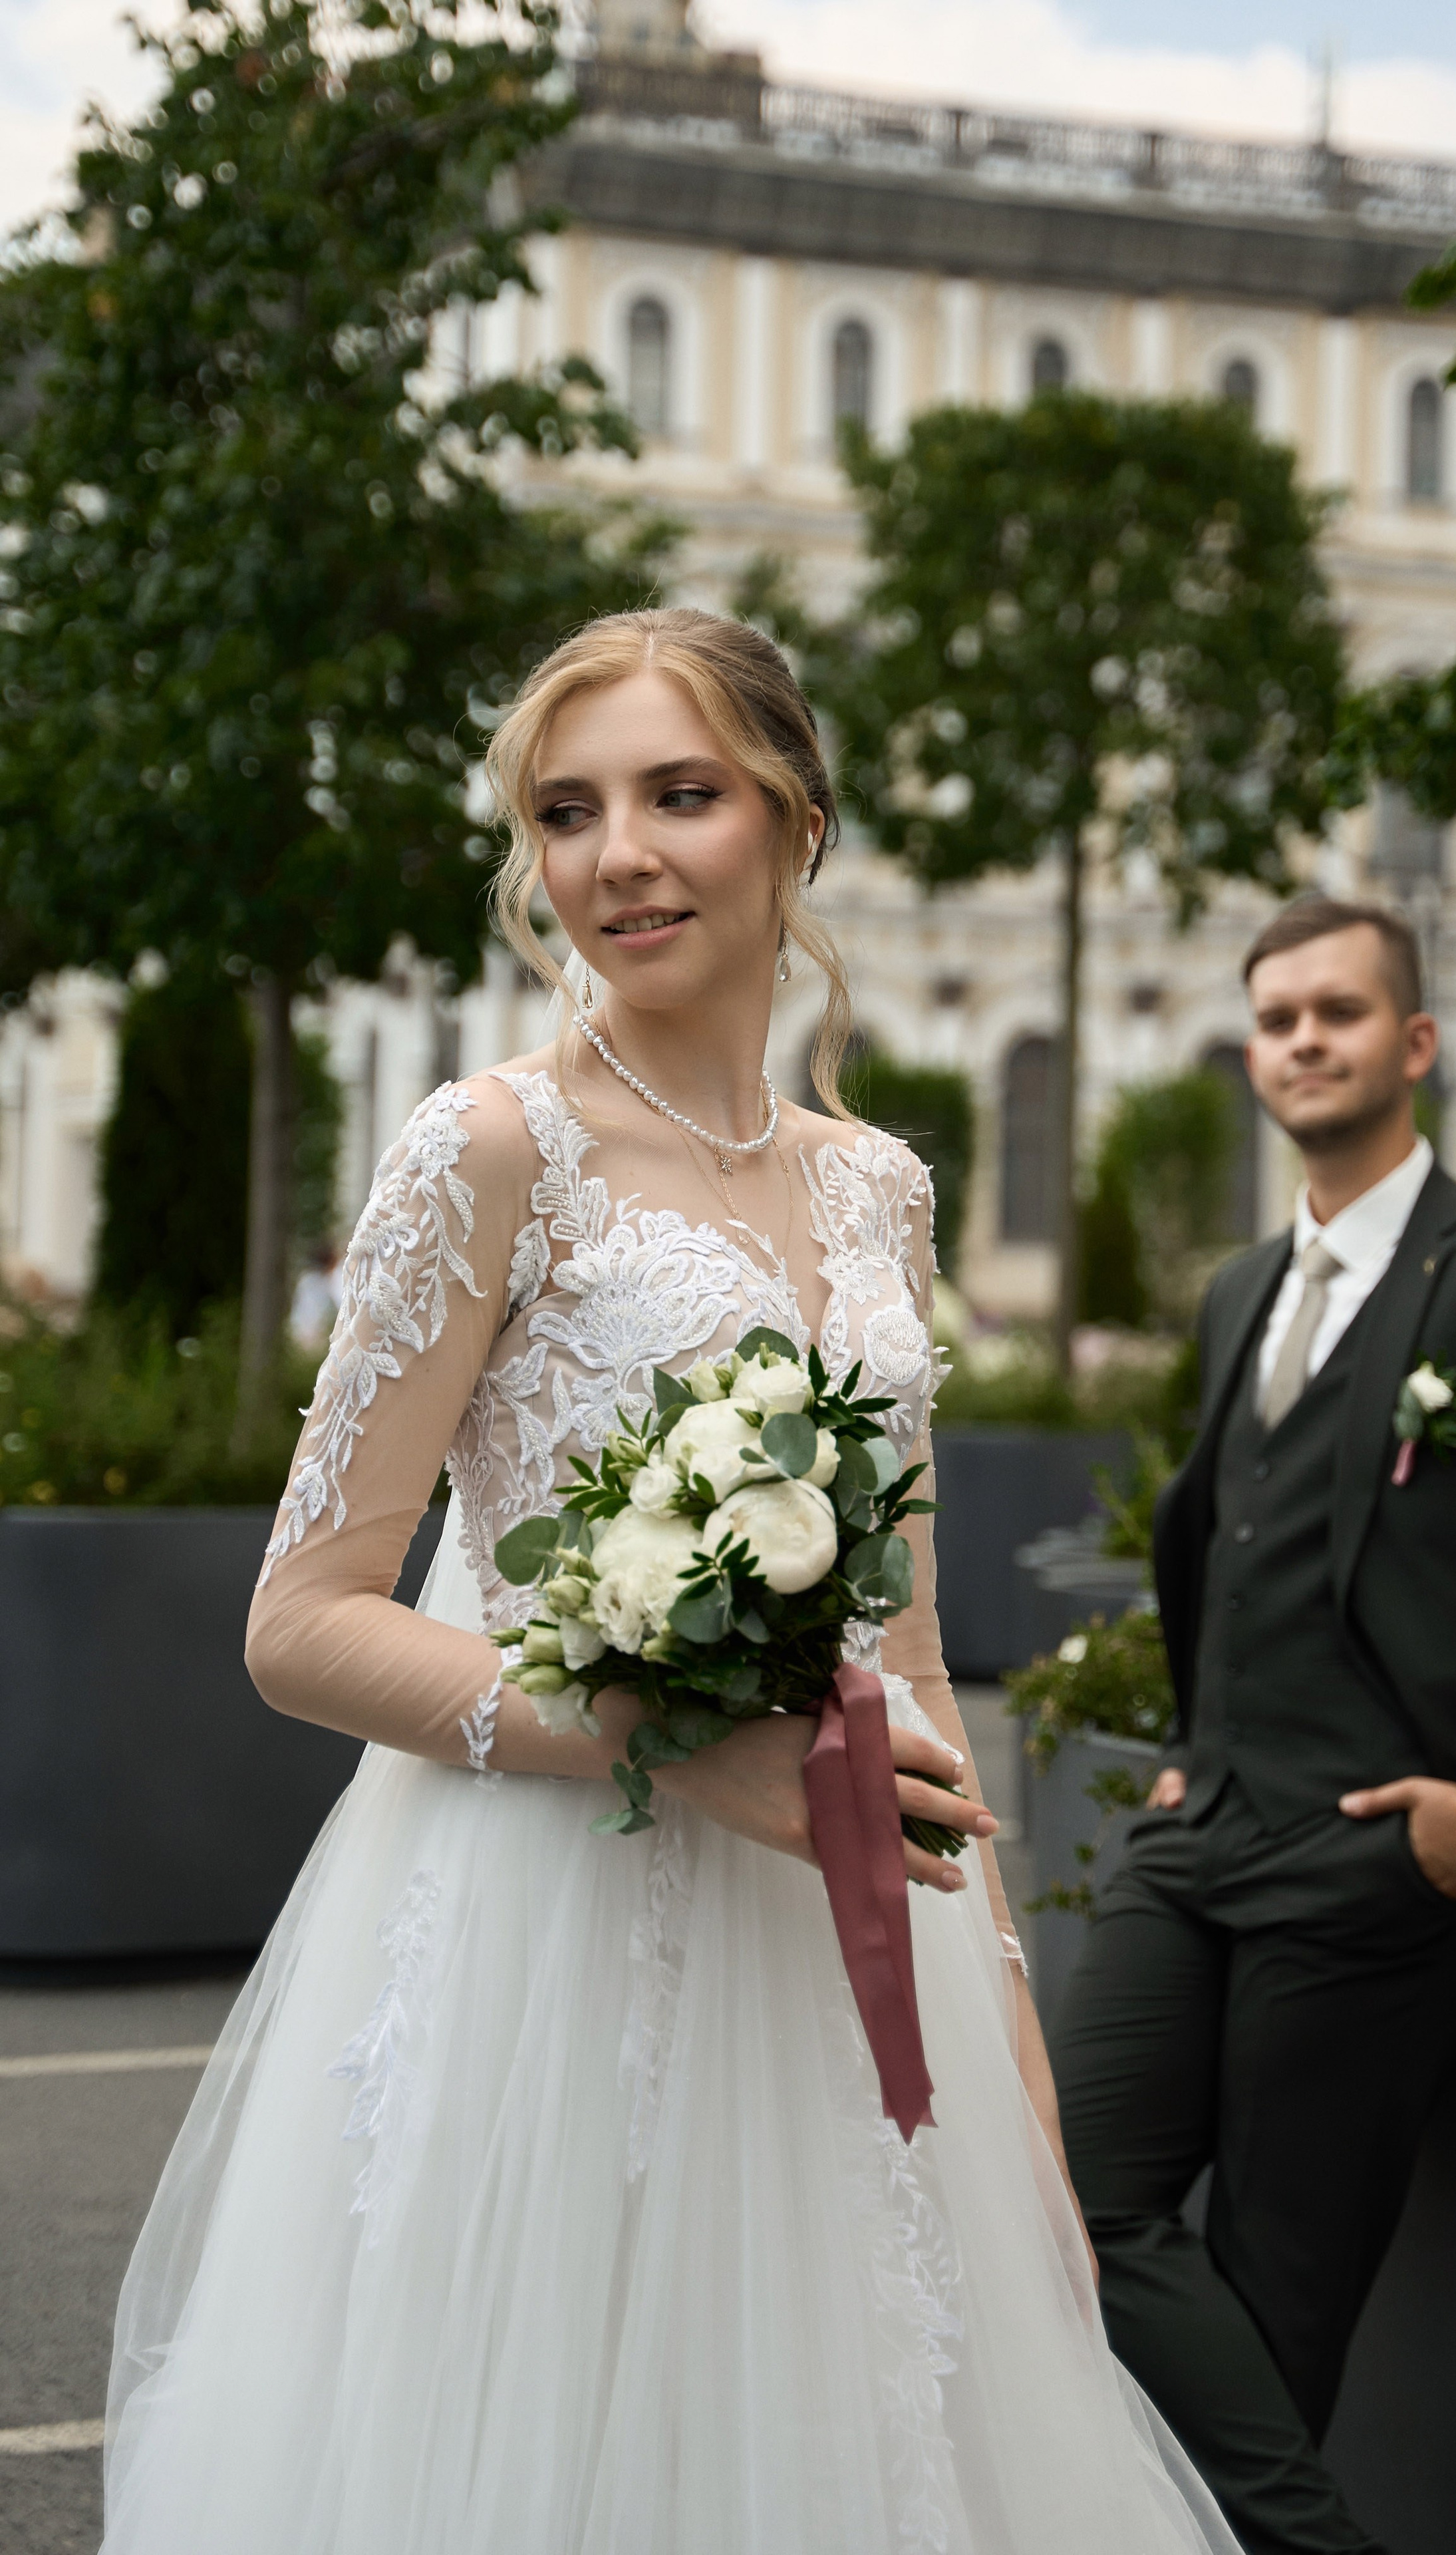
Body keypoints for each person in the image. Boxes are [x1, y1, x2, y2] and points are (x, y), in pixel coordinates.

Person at [100, 609, 1235, 2555]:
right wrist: (669, 1746)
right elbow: (301, 1624)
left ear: (797, 821)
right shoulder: (489, 1150)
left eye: (680, 795)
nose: (617, 855)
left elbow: (910, 1654)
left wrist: (1012, 2070)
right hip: (541, 1954)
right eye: (567, 812)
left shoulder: (881, 1185)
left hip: (843, 1957)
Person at [1050, 894, 1456, 2555]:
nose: (1301, 1043)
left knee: (1276, 2302)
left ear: (1413, 1042)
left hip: (1376, 1866)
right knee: (1061, 2188)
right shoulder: (1238, 1292)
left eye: (1335, 1012)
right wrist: (1190, 1740)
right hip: (1201, 1829)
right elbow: (1229, 1542)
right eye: (1275, 1019)